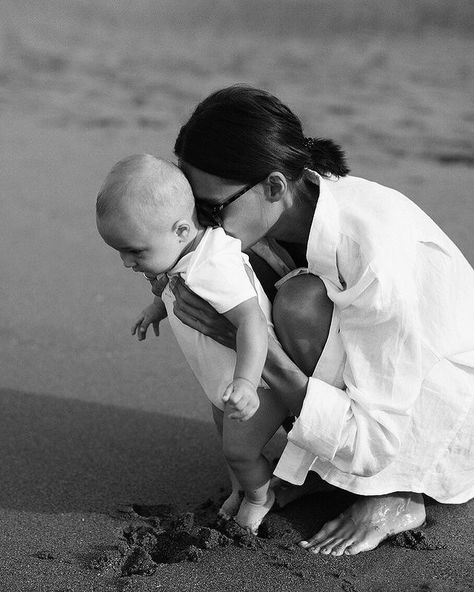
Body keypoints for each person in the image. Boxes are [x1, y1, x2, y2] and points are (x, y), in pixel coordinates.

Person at [157, 85, 474, 556]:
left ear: (274, 186)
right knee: (243, 284)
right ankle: (317, 471)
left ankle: (397, 495)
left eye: (212, 208)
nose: (204, 222)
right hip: (386, 381)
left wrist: (256, 348)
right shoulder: (285, 213)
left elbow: (374, 441)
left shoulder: (370, 252)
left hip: (443, 412)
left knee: (298, 303)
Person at [95, 154, 294, 533]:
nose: (125, 262)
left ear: (182, 231)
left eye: (135, 251)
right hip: (223, 379)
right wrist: (157, 308)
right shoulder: (179, 253)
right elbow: (173, 282)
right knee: (227, 440)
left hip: (257, 381)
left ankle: (259, 496)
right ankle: (241, 485)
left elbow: (251, 320)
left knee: (240, 448)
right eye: (119, 251)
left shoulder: (213, 266)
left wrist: (248, 383)